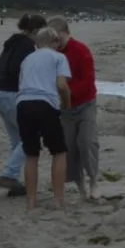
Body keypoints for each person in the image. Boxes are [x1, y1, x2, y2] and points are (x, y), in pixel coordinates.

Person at [16, 27, 73, 211]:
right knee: (59, 152)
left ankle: (31, 201)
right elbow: (62, 85)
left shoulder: (27, 59)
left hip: (23, 104)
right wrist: (66, 104)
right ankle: (58, 200)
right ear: (55, 42)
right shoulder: (58, 57)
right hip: (45, 104)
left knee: (31, 154)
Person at [0, 13, 47, 197]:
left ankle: (14, 181)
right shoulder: (26, 45)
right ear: (36, 30)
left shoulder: (12, 43)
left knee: (17, 139)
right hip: (11, 94)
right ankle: (9, 174)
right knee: (31, 136)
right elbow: (19, 70)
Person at [47, 16, 101, 202]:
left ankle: (94, 181)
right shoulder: (52, 54)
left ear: (64, 32)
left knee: (87, 143)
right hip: (65, 109)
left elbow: (88, 81)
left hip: (85, 103)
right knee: (70, 149)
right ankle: (81, 188)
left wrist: (67, 95)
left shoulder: (81, 50)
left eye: (56, 38)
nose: (54, 42)